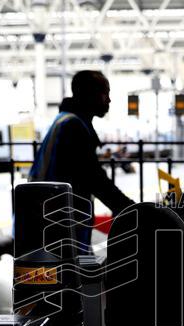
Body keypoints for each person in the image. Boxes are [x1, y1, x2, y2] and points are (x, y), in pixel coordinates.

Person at [30, 70, 135, 250]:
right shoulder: (73, 127)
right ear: (89, 94)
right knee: (75, 274)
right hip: (63, 225)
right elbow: (94, 178)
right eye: (105, 93)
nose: (108, 100)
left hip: (51, 220)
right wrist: (129, 208)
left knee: (81, 270)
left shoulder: (64, 121)